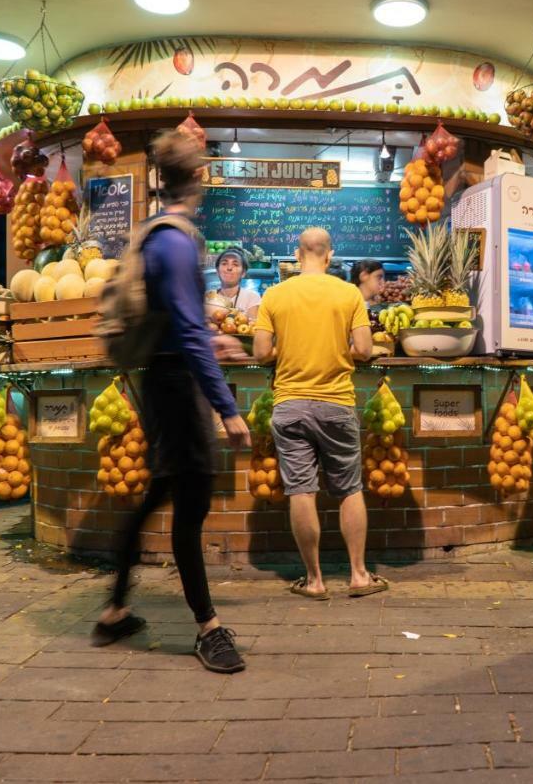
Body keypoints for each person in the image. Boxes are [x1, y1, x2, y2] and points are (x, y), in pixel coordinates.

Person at [92, 130, 251, 673]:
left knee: (157, 495)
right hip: (176, 388)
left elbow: (179, 327)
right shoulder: (177, 240)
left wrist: (212, 340)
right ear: (200, 177)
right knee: (192, 505)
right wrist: (226, 408)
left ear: (159, 177)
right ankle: (208, 627)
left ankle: (114, 609)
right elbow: (185, 331)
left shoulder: (154, 233)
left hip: (161, 381)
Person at [253, 228, 382, 599]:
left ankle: (314, 581)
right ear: (330, 256)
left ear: (297, 256)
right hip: (337, 402)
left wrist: (288, 349)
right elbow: (364, 347)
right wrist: (337, 349)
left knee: (301, 491)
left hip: (290, 403)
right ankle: (358, 575)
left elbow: (261, 352)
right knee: (349, 489)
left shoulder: (275, 295)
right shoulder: (348, 294)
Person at [206, 248, 262, 319]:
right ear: (217, 271)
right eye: (224, 263)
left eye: (235, 264)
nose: (229, 268)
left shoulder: (252, 298)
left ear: (243, 273)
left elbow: (252, 327)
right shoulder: (207, 297)